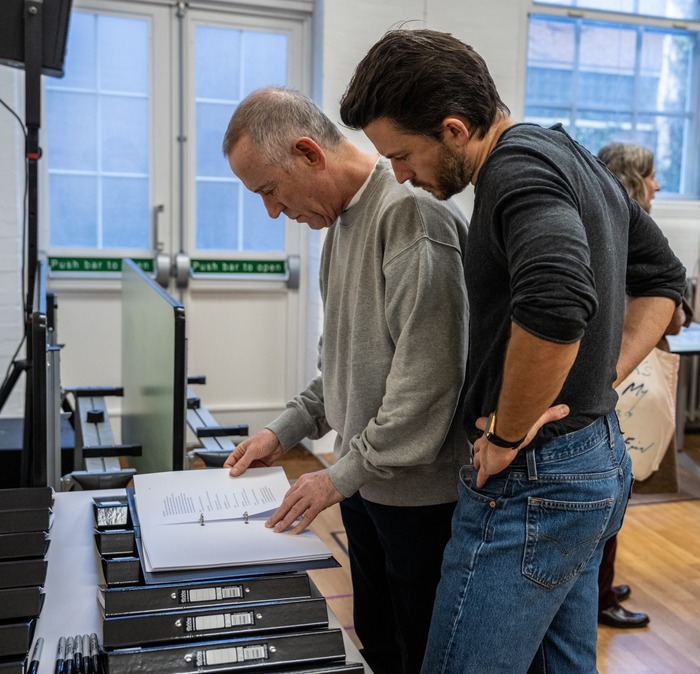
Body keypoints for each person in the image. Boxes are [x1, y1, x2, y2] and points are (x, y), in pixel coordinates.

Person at [339, 29, 687, 674]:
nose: (400, 175)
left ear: (452, 129)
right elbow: (665, 280)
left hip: (537, 476)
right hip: (590, 458)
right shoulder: (568, 153)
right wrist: (596, 375)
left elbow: (557, 299)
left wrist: (508, 431)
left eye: (403, 154)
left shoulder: (516, 169)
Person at [220, 86, 470, 674]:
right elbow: (340, 366)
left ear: (309, 153)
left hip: (419, 501)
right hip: (365, 485)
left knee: (419, 653)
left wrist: (339, 477)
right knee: (377, 644)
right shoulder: (341, 228)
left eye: (270, 191)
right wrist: (282, 432)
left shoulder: (411, 215)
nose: (273, 212)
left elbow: (428, 387)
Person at [596, 141, 693, 628]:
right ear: (635, 178)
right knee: (612, 493)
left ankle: (601, 585)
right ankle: (598, 597)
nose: (657, 184)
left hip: (616, 380)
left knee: (612, 491)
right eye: (652, 175)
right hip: (624, 382)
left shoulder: (599, 222)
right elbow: (671, 316)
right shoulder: (632, 230)